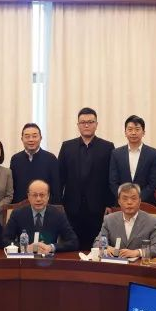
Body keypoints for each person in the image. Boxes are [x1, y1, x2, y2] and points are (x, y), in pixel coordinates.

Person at [58, 107, 114, 251]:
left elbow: (111, 178)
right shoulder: (67, 146)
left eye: (90, 122)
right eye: (83, 122)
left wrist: (110, 204)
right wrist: (59, 203)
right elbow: (60, 177)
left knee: (96, 248)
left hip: (98, 208)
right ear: (78, 125)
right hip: (71, 207)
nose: (87, 125)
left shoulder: (107, 147)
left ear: (96, 124)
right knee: (72, 247)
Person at [2, 179, 78, 253]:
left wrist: (51, 247)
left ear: (48, 196)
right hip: (25, 258)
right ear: (29, 196)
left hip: (49, 258)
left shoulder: (58, 214)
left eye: (42, 195)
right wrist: (25, 248)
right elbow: (4, 240)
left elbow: (73, 241)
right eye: (34, 195)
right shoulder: (18, 214)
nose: (38, 199)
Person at [97, 183, 156, 259]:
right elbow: (98, 241)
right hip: (116, 263)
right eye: (125, 199)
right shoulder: (109, 219)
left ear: (139, 201)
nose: (129, 202)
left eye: (133, 198)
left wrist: (137, 252)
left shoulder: (152, 221)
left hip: (139, 264)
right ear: (119, 201)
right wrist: (105, 247)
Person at [108, 115, 156, 205]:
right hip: (122, 205)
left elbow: (153, 182)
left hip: (146, 204)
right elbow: (113, 181)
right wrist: (124, 199)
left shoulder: (153, 154)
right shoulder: (116, 154)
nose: (133, 133)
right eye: (130, 129)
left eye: (137, 129)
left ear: (143, 132)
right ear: (125, 132)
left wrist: (137, 199)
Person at [9, 123, 59, 203]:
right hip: (19, 207)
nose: (31, 140)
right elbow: (12, 187)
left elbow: (56, 188)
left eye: (34, 136)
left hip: (44, 206)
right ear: (22, 139)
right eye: (27, 136)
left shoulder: (51, 158)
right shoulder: (15, 159)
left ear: (41, 138)